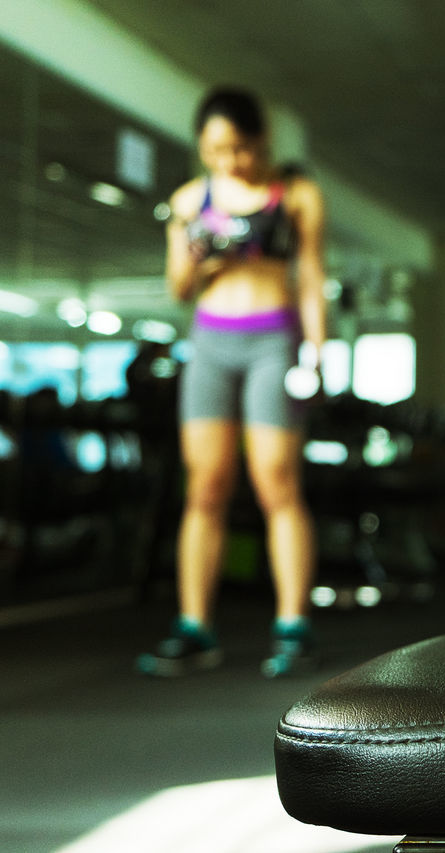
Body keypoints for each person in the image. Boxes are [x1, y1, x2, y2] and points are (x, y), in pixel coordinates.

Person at [136, 86, 327, 678]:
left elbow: (312, 275)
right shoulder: (191, 201)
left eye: (239, 149)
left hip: (274, 340)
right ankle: (196, 626)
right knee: (206, 486)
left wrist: (317, 351)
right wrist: (202, 254)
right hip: (212, 345)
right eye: (215, 150)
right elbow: (178, 289)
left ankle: (292, 623)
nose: (228, 161)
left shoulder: (294, 194)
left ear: (260, 141)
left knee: (276, 482)